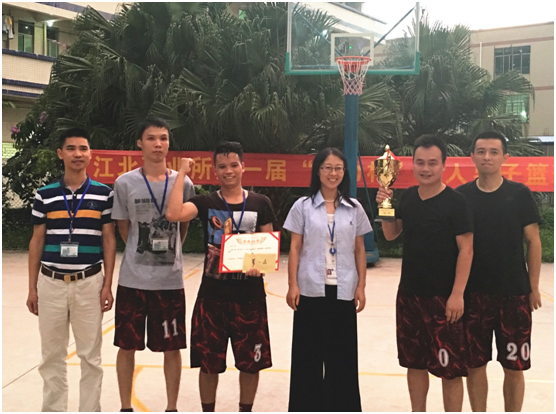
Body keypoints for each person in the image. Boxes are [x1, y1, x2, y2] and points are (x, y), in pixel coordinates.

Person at [166, 140, 276, 412]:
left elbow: (267, 249)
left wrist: (259, 265)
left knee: (251, 364)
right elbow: (174, 213)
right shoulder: (206, 202)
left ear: (243, 167)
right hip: (212, 298)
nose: (229, 171)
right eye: (222, 166)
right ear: (215, 170)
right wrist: (182, 173)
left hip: (249, 298)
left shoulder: (261, 203)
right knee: (208, 364)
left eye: (234, 165)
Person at [376, 135, 474, 412]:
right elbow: (391, 234)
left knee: (450, 368)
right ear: (413, 164)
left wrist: (457, 294)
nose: (426, 168)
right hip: (409, 295)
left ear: (444, 165)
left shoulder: (457, 202)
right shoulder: (408, 197)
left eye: (432, 163)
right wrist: (385, 206)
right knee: (414, 364)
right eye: (420, 162)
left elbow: (466, 250)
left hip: (444, 298)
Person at [27, 128, 116, 412]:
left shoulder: (104, 194)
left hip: (89, 282)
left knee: (91, 357)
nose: (78, 154)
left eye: (83, 148)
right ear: (60, 153)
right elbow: (37, 240)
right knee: (51, 357)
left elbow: (109, 239)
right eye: (71, 148)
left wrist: (107, 284)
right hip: (51, 282)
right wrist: (32, 288)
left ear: (90, 154)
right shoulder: (45, 195)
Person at [112, 117, 195, 412]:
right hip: (132, 280)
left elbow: (183, 227)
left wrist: (169, 252)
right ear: (140, 143)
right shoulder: (124, 183)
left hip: (169, 282)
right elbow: (124, 229)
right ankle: (125, 406)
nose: (158, 144)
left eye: (163, 138)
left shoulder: (184, 183)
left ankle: (171, 407)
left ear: (169, 143)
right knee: (126, 346)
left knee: (172, 347)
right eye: (151, 138)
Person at [456, 131, 542, 412]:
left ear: (505, 157)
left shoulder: (519, 194)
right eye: (481, 151)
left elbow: (533, 242)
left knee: (515, 367)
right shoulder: (461, 197)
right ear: (472, 156)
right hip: (473, 297)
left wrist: (533, 287)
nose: (487, 157)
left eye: (494, 152)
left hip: (514, 296)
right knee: (474, 365)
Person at [282, 147, 372, 412]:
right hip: (310, 290)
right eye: (328, 168)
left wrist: (361, 286)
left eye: (338, 168)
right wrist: (292, 285)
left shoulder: (354, 208)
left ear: (344, 173)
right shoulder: (302, 206)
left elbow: (359, 249)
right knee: (307, 357)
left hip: (343, 291)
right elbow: (295, 248)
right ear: (318, 171)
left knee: (342, 358)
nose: (333, 173)